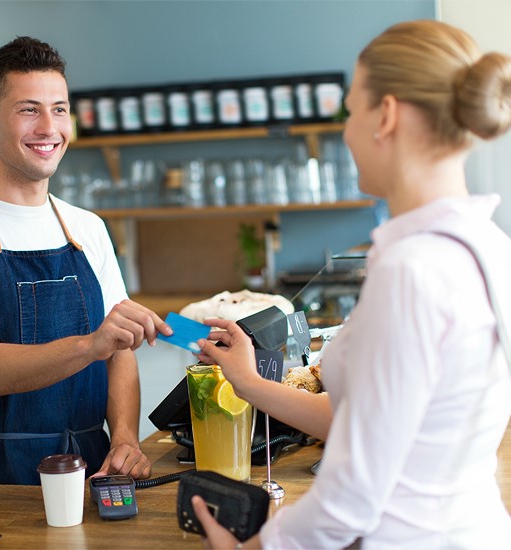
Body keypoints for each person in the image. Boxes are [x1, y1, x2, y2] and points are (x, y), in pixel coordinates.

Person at [191, 20, 511, 548]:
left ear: (385, 115)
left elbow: (351, 499)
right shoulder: (489, 246)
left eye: (352, 108)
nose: (346, 130)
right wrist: (250, 384)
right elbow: (374, 417)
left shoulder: (411, 270)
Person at [0, 36, 170, 485]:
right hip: (2, 478)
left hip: (95, 468)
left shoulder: (87, 228)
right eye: (29, 109)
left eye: (60, 109)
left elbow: (119, 351)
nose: (49, 127)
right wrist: (90, 344)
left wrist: (125, 437)